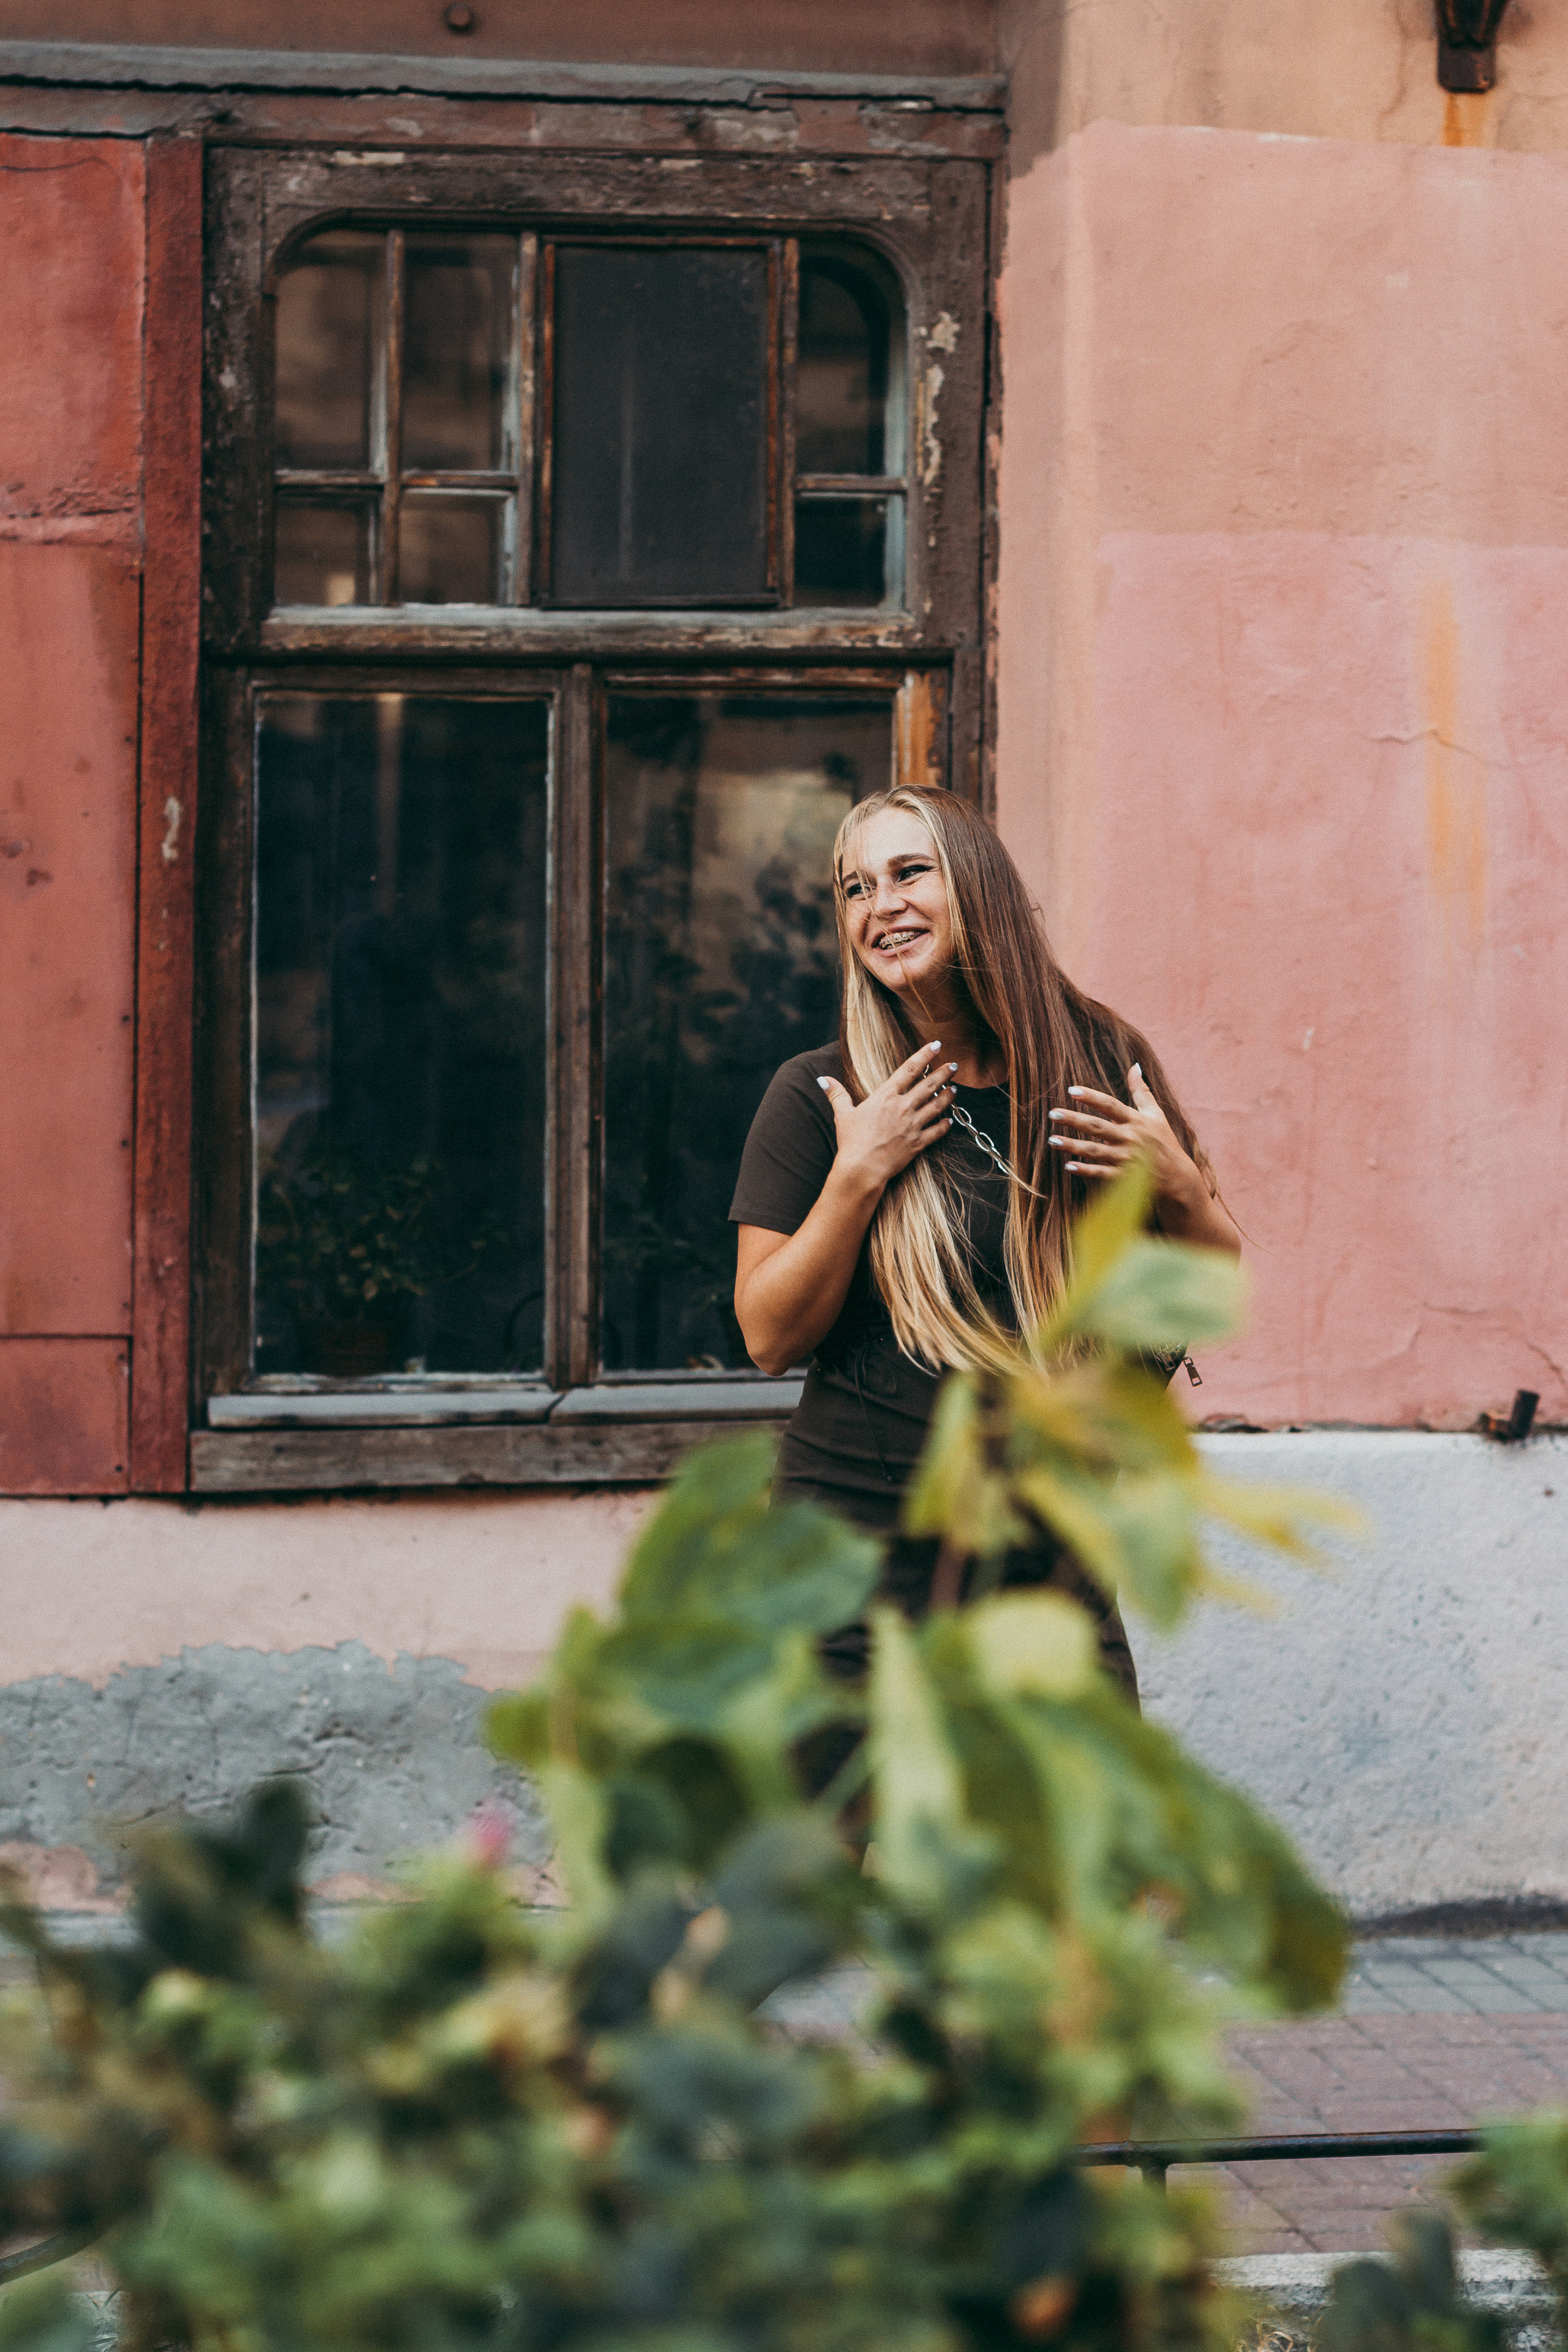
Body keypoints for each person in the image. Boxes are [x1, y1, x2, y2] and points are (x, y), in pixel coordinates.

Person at [729, 785, 1240, 1716]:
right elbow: (767, 1334)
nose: (880, 906)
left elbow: (1210, 1281)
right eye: (854, 888)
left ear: (977, 885)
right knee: (825, 1845)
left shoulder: (1097, 1056)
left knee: (1070, 1848)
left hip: (1047, 1545)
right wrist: (858, 1176)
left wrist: (1182, 1189)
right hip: (854, 1541)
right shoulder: (820, 1092)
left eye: (908, 872)